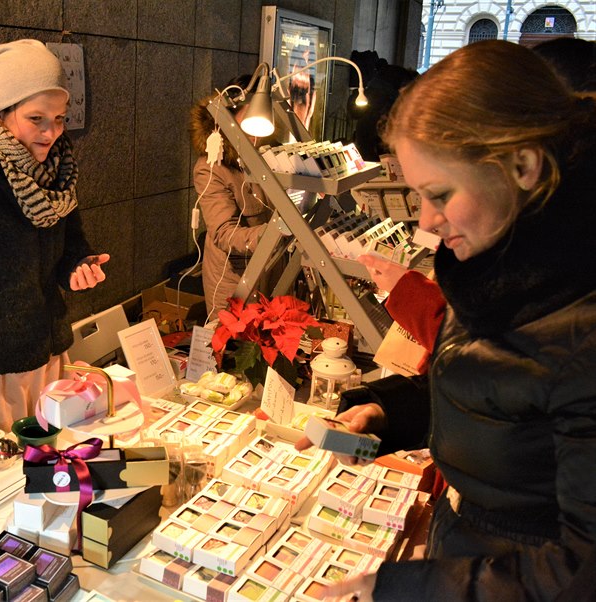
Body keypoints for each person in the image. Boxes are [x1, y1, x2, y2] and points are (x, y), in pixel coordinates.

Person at [298, 40, 596, 600]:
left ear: (524, 166)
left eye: (439, 194)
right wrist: (391, 411)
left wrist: (410, 589)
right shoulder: (498, 260)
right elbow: (499, 393)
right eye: (417, 197)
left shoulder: (580, 324)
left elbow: (581, 572)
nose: (429, 222)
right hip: (467, 557)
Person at [0, 39, 109, 438]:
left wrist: (78, 265)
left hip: (48, 352)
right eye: (36, 119)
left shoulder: (59, 166)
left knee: (51, 469)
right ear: (2, 111)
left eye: (60, 118)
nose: (51, 133)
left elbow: (70, 239)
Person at [189, 75, 276, 320]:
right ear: (229, 118)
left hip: (268, 270)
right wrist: (274, 232)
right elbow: (224, 233)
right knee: (233, 351)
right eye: (247, 120)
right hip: (232, 280)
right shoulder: (211, 168)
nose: (255, 135)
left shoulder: (264, 154)